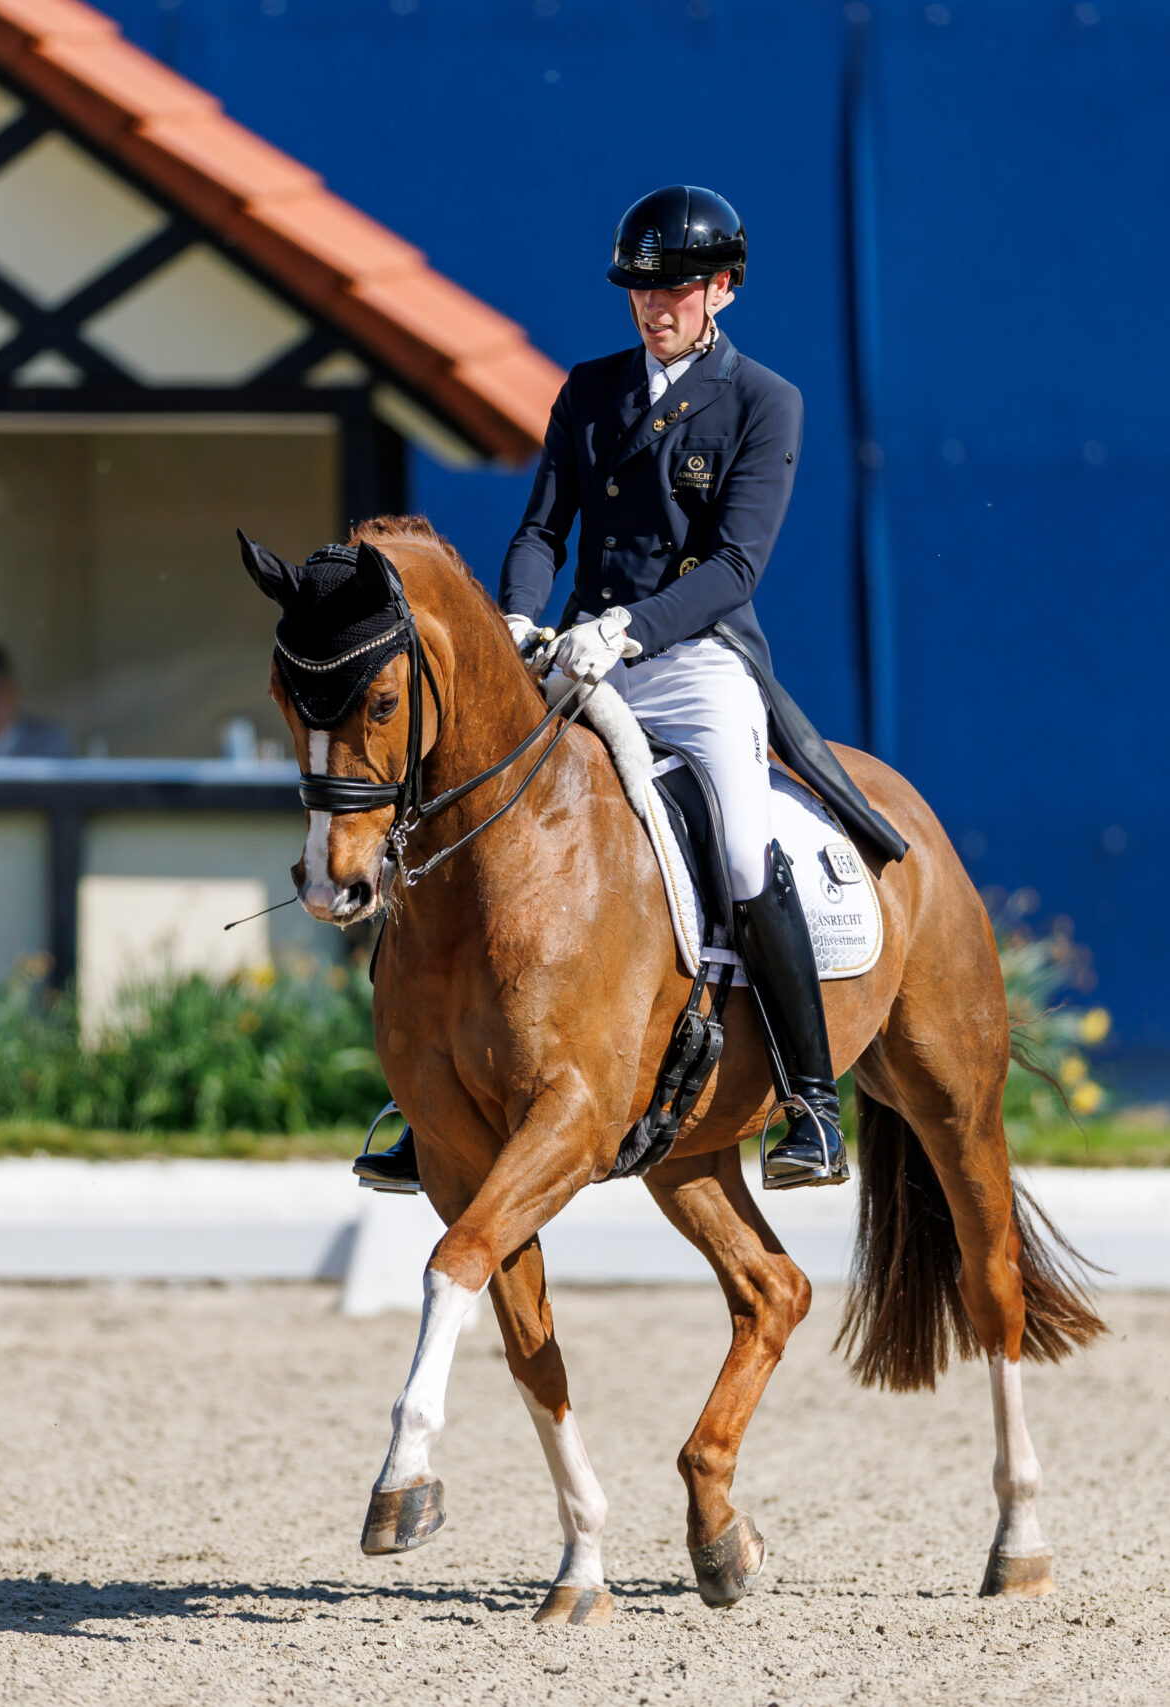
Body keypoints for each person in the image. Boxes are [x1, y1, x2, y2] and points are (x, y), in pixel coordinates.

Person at [356, 185, 850, 1196]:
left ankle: (810, 1101)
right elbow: (541, 530)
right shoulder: (588, 391)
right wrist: (520, 621)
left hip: (696, 659)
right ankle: (425, 1101)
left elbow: (733, 568)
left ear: (721, 289)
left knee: (745, 850)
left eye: (672, 287)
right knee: (454, 814)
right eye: (640, 286)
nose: (653, 304)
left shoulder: (764, 401)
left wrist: (629, 629)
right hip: (574, 650)